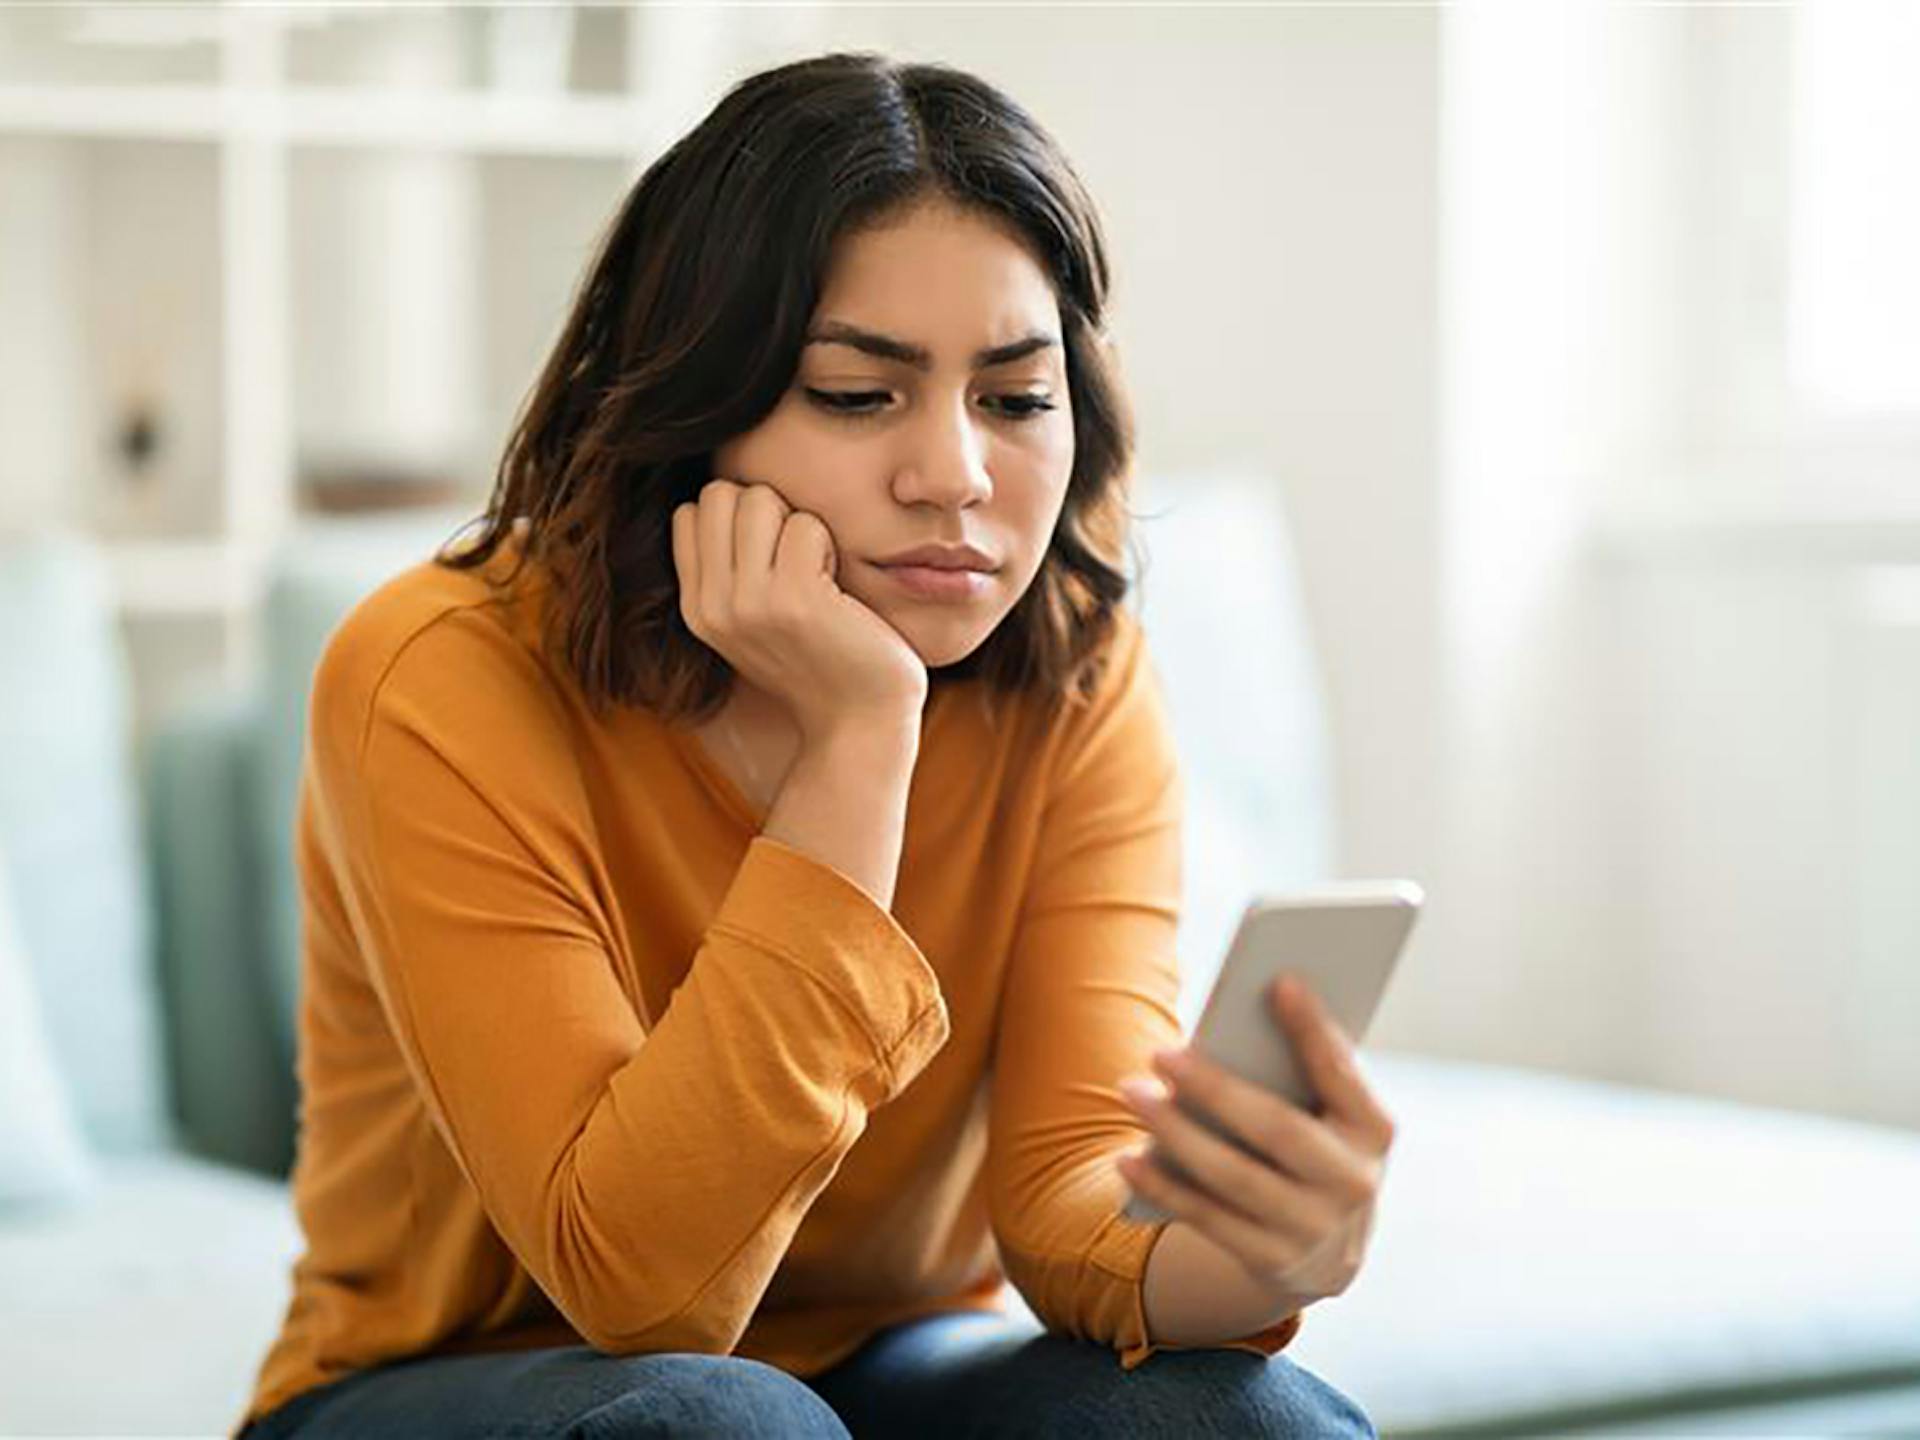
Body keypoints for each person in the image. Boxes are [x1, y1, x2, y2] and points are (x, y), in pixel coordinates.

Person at [236, 50, 1391, 1440]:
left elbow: (1074, 1201)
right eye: (859, 395)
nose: (955, 475)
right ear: (692, 408)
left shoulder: (1075, 684)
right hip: (441, 1388)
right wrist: (859, 739)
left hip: (877, 1372)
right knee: (716, 1426)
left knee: (1251, 1417)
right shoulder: (438, 674)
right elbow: (643, 1293)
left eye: (1016, 399)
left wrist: (1262, 1254)